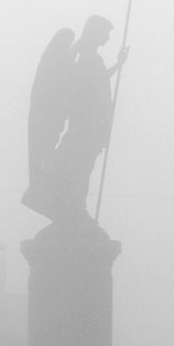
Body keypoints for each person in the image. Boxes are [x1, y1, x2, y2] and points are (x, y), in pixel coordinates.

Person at [22, 15, 127, 222]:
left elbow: (96, 80)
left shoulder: (88, 57)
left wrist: (118, 64)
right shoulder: (81, 57)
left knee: (81, 168)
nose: (108, 39)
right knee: (77, 168)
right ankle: (71, 207)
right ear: (95, 32)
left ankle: (74, 207)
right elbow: (86, 85)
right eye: (106, 33)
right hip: (83, 127)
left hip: (91, 127)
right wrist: (117, 65)